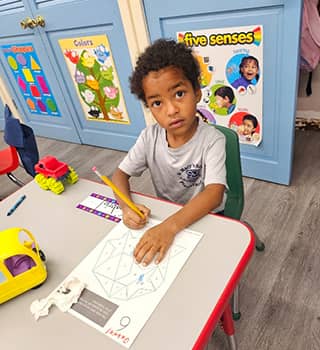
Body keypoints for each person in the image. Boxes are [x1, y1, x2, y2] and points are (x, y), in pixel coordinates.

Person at [112, 39, 227, 266]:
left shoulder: (212, 139)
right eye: (157, 103)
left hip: (206, 216)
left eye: (179, 94)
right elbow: (119, 176)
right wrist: (126, 207)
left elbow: (214, 194)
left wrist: (169, 227)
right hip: (167, 215)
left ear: (197, 93)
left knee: (205, 267)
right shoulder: (149, 137)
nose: (171, 110)